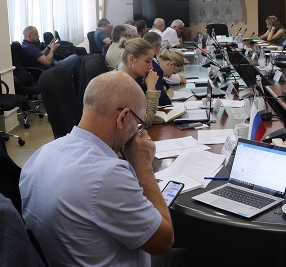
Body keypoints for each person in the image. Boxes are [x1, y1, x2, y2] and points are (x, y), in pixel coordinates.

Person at [19, 71, 178, 266]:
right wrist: (142, 164)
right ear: (123, 117)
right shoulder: (108, 175)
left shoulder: (40, 155)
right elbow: (164, 242)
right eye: (138, 124)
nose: (137, 132)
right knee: (184, 256)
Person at [117, 38, 160, 127]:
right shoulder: (124, 84)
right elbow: (145, 121)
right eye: (147, 61)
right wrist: (151, 88)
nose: (151, 67)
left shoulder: (125, 77)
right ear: (131, 59)